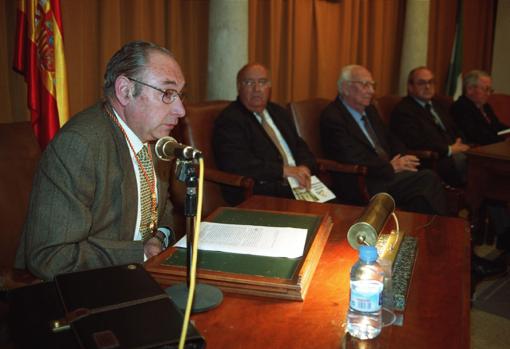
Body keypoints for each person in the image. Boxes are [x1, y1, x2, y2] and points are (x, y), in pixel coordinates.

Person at [15, 41, 185, 280]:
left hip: (139, 276)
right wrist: (140, 254)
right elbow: (50, 256)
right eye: (167, 93)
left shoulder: (156, 138)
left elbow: (162, 208)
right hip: (79, 291)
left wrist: (159, 238)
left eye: (179, 95)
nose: (180, 109)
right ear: (125, 90)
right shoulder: (79, 145)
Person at [320, 64, 448, 215]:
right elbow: (349, 154)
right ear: (345, 87)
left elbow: (390, 137)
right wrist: (389, 166)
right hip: (362, 180)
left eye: (372, 85)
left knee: (421, 193)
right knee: (427, 179)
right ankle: (438, 231)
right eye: (365, 85)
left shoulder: (369, 110)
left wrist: (403, 157)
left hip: (385, 173)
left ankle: (419, 231)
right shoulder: (333, 116)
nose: (372, 91)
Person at [212, 63, 317, 205]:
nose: (257, 89)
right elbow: (237, 163)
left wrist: (304, 166)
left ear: (269, 87)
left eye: (262, 82)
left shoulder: (279, 112)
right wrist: (284, 171)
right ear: (239, 87)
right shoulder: (230, 120)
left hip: (300, 185)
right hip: (266, 191)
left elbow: (299, 146)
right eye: (249, 82)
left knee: (341, 214)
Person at [390, 67, 469, 187]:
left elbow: (454, 127)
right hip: (432, 159)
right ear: (410, 87)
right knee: (471, 165)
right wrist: (449, 149)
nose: (427, 87)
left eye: (431, 82)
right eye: (422, 83)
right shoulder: (404, 110)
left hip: (454, 151)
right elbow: (416, 141)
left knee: (481, 161)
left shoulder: (438, 105)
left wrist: (461, 142)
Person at [451, 70, 509, 145]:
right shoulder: (460, 108)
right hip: (477, 150)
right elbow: (476, 136)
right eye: (486, 89)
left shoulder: (485, 106)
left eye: (490, 90)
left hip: (493, 144)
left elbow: (496, 125)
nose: (488, 94)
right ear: (470, 89)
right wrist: (503, 139)